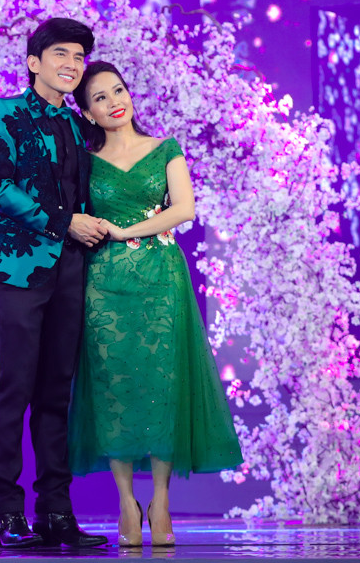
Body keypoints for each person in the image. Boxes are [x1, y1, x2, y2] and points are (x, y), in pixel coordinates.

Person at [67, 61, 243, 547]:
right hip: (104, 284)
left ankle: (160, 499)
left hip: (161, 279)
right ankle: (127, 501)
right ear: (87, 113)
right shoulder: (84, 162)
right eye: (100, 98)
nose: (114, 102)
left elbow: (184, 209)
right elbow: (71, 213)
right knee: (113, 387)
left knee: (163, 386)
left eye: (118, 90)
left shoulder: (165, 148)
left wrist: (126, 229)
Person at [0, 17, 109, 549]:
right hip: (19, 267)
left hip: (72, 270)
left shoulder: (77, 125)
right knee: (17, 387)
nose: (72, 64)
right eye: (61, 54)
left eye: (78, 56)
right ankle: (8, 514)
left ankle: (56, 512)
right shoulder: (2, 112)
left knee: (57, 393)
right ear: (34, 62)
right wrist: (64, 222)